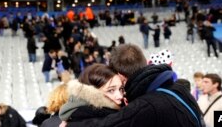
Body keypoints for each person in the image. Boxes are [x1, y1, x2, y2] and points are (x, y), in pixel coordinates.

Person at [63, 44, 203, 127]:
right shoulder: (177, 89)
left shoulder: (146, 105)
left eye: (118, 87)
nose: (119, 95)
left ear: (121, 76)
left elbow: (108, 125)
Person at [59, 63, 124, 127]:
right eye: (111, 90)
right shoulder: (91, 117)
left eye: (121, 89)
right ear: (92, 93)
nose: (120, 96)